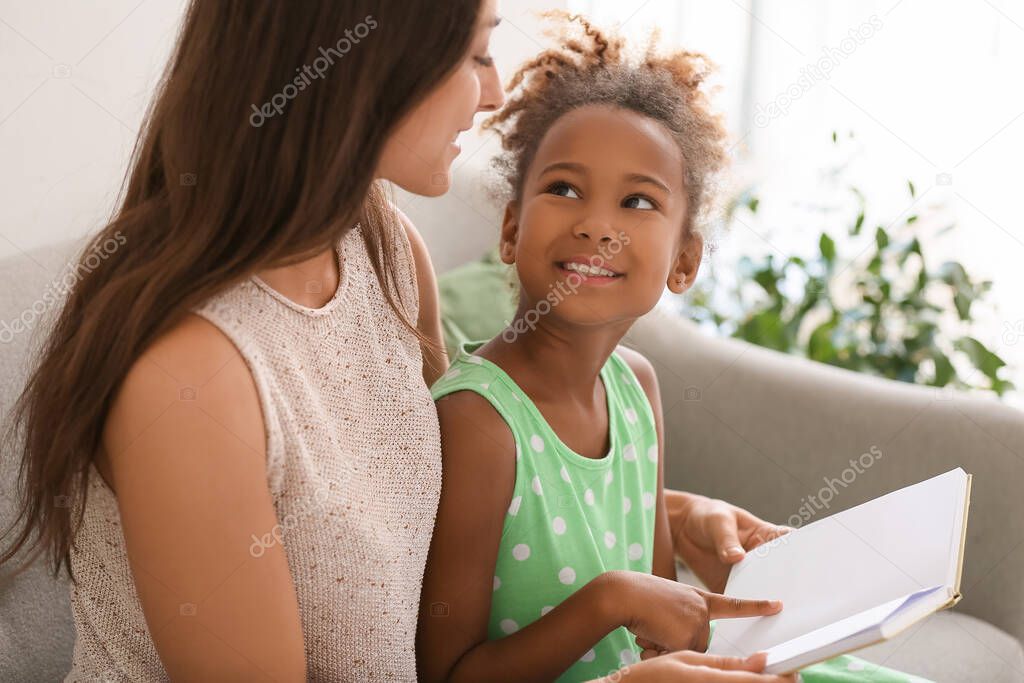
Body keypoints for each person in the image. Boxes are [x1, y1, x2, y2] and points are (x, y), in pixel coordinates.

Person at [0, 1, 803, 680]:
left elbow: (424, 501)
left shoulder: (380, 245)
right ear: (361, 63)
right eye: (477, 53)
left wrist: (668, 512)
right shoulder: (195, 380)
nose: (491, 94)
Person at [419, 13, 931, 683]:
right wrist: (608, 601)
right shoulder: (477, 421)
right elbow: (446, 675)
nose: (597, 224)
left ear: (685, 262)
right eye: (563, 189)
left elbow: (662, 634)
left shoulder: (637, 388)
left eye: (637, 201)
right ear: (511, 229)